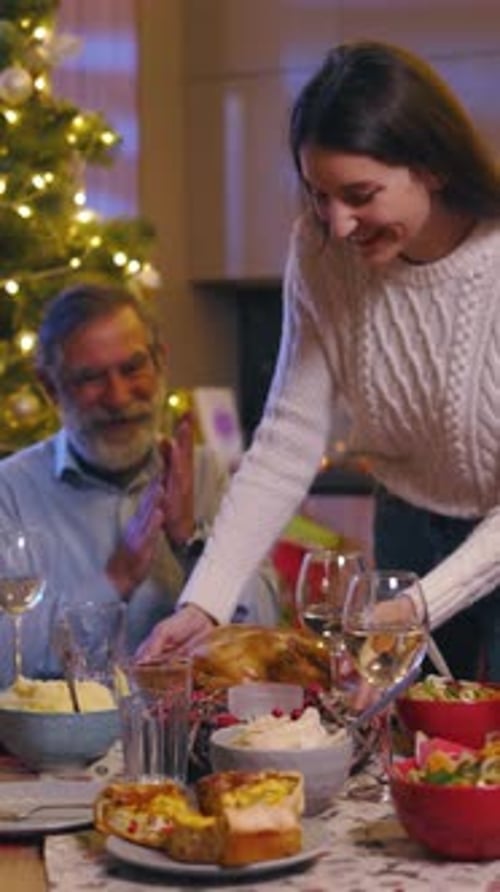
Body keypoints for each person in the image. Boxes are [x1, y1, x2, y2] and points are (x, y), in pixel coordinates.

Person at [141, 39, 500, 682]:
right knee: (404, 750)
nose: (337, 223)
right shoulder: (320, 252)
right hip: (407, 530)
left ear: (434, 167)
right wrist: (206, 601)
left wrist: (419, 607)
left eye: (360, 194)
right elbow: (286, 442)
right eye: (319, 194)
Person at [0, 283, 279, 687]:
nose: (117, 396)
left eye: (132, 368)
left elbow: (265, 622)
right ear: (50, 388)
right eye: (91, 378)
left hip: (189, 736)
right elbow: (7, 661)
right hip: (59, 746)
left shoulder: (204, 474)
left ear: (160, 361)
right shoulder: (10, 491)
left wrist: (190, 541)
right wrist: (115, 579)